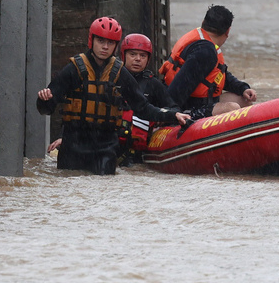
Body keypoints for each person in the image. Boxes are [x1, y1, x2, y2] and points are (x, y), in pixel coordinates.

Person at [38, 17, 190, 175]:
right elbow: (46, 109)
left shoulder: (120, 73)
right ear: (92, 40)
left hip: (105, 150)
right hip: (73, 148)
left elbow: (143, 108)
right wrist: (44, 100)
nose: (105, 47)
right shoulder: (73, 69)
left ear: (116, 46)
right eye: (101, 41)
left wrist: (174, 115)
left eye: (110, 43)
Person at [160, 5, 257, 119]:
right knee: (232, 109)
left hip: (198, 102)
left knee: (244, 101)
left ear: (203, 22)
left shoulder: (204, 43)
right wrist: (169, 115)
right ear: (227, 31)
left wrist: (243, 88)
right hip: (185, 109)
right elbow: (178, 88)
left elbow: (219, 76)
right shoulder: (204, 52)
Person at [117, 33, 175, 165]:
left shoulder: (153, 85)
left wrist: (162, 118)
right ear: (123, 55)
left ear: (148, 59)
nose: (137, 59)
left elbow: (173, 108)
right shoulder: (111, 79)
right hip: (111, 149)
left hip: (138, 155)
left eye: (142, 56)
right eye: (133, 54)